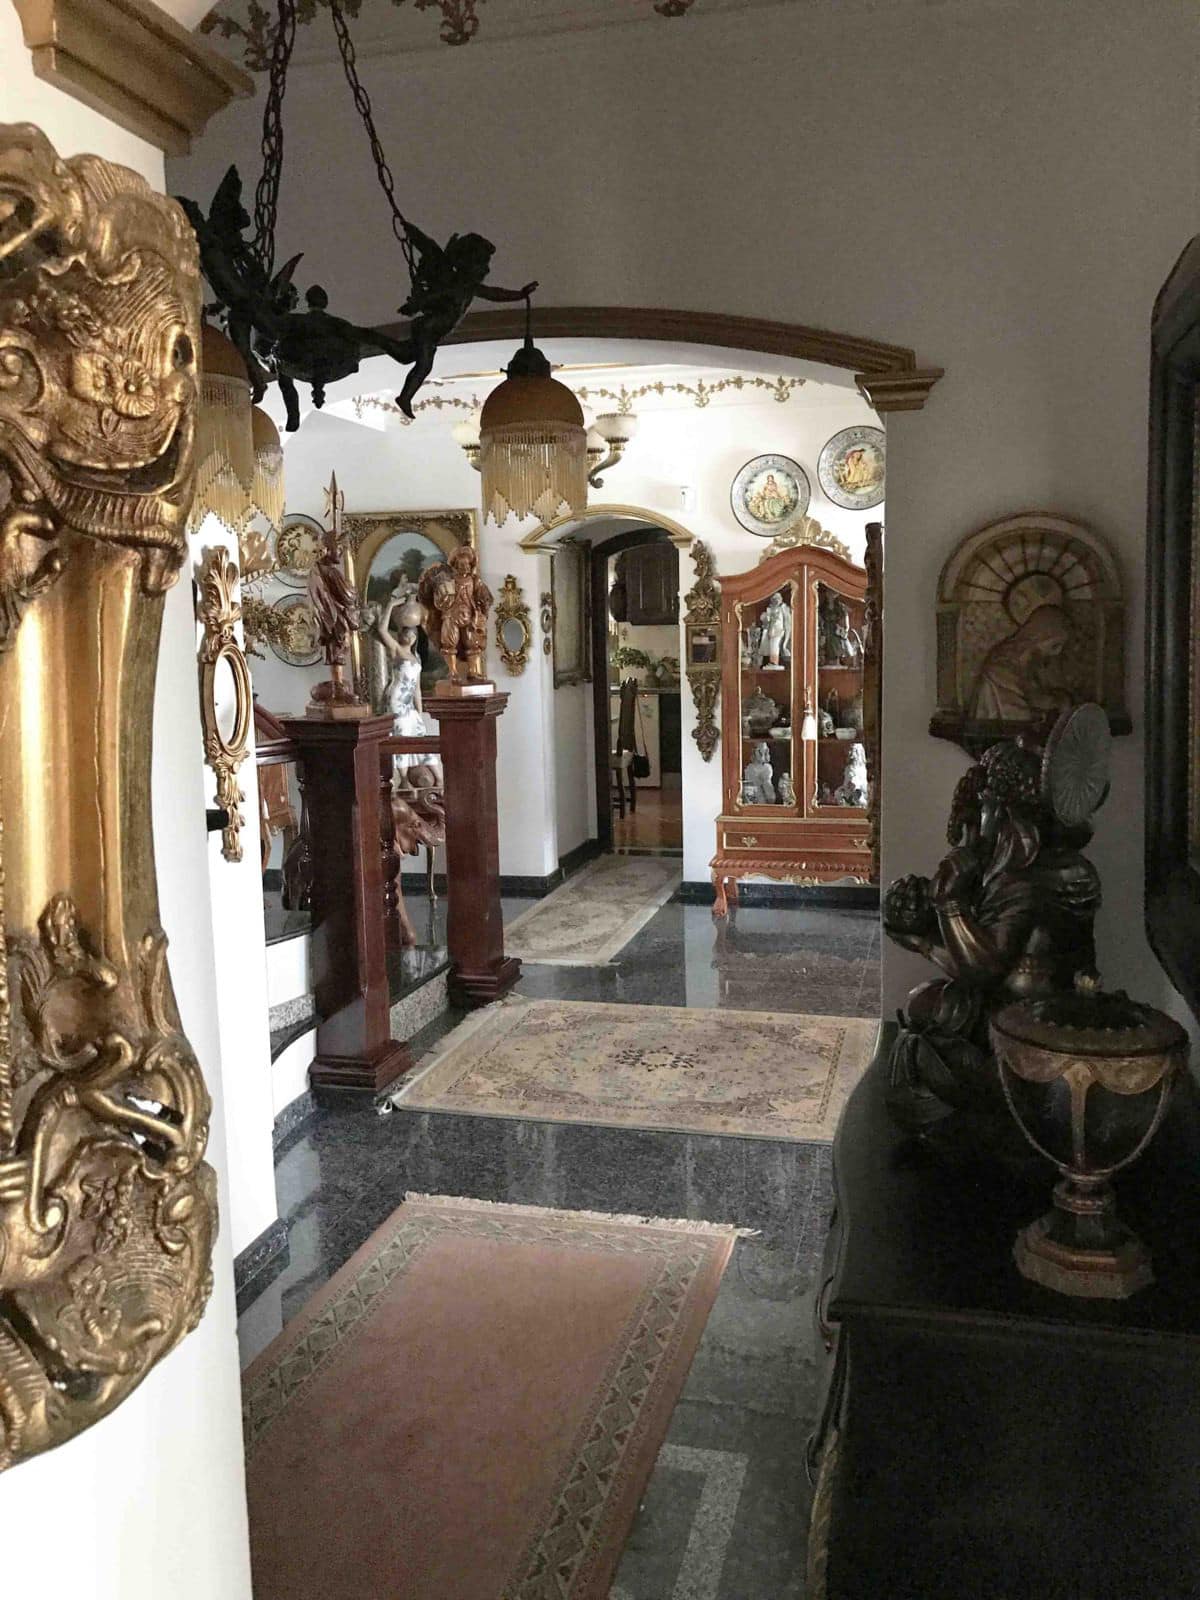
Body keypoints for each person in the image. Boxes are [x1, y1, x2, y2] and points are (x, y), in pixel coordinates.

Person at [968, 604, 1072, 723]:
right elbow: (1015, 717)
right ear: (1039, 637)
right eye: (1054, 646)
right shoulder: (1001, 667)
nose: (1057, 652)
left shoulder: (1032, 664)